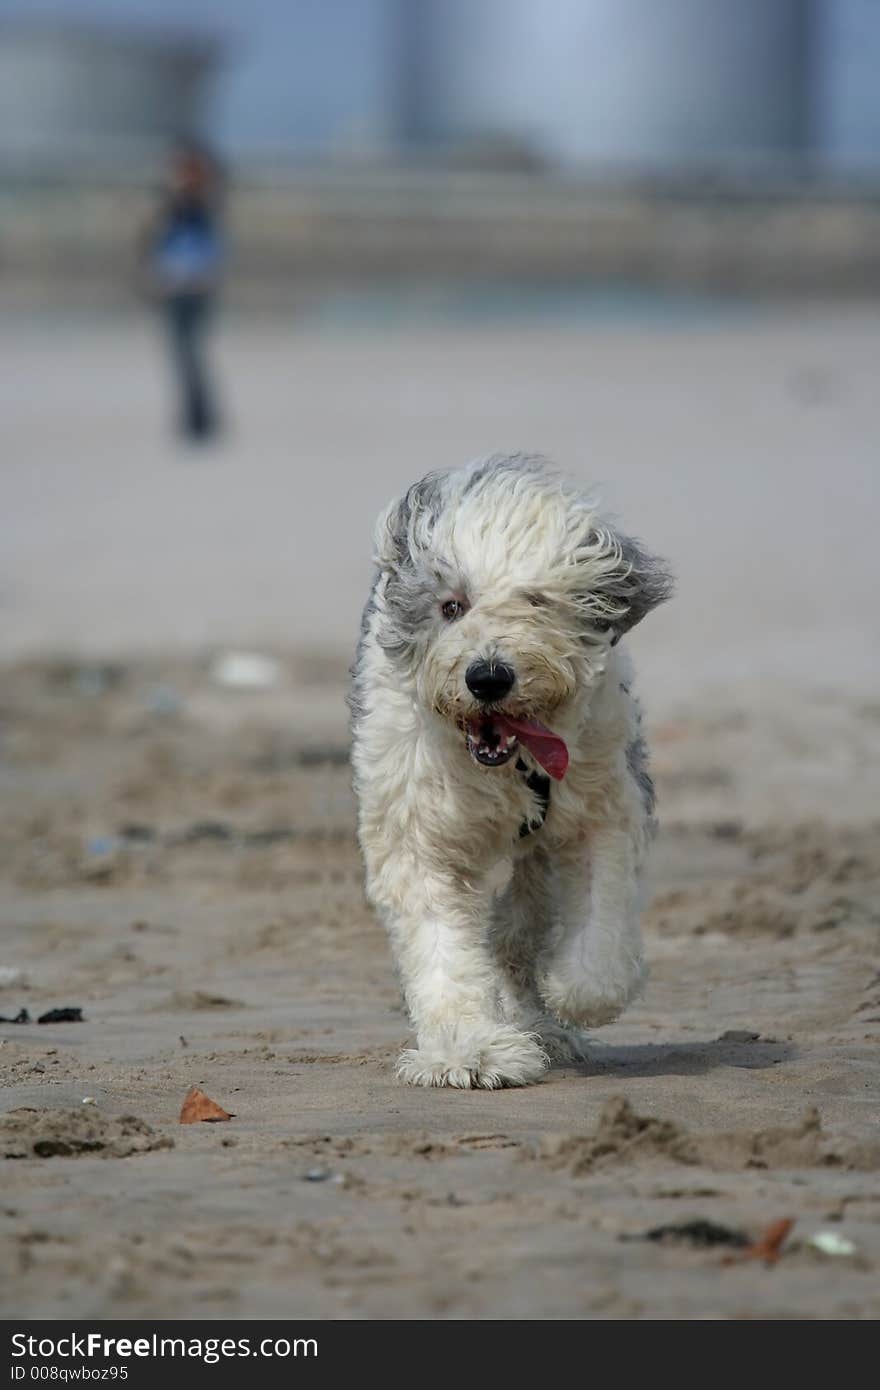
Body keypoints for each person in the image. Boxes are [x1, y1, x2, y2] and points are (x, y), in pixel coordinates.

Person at [142, 141, 225, 441]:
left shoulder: (199, 209)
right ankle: (195, 417)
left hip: (194, 288)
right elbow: (157, 246)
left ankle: (200, 418)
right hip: (176, 287)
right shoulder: (172, 207)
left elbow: (207, 249)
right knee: (182, 354)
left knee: (190, 353)